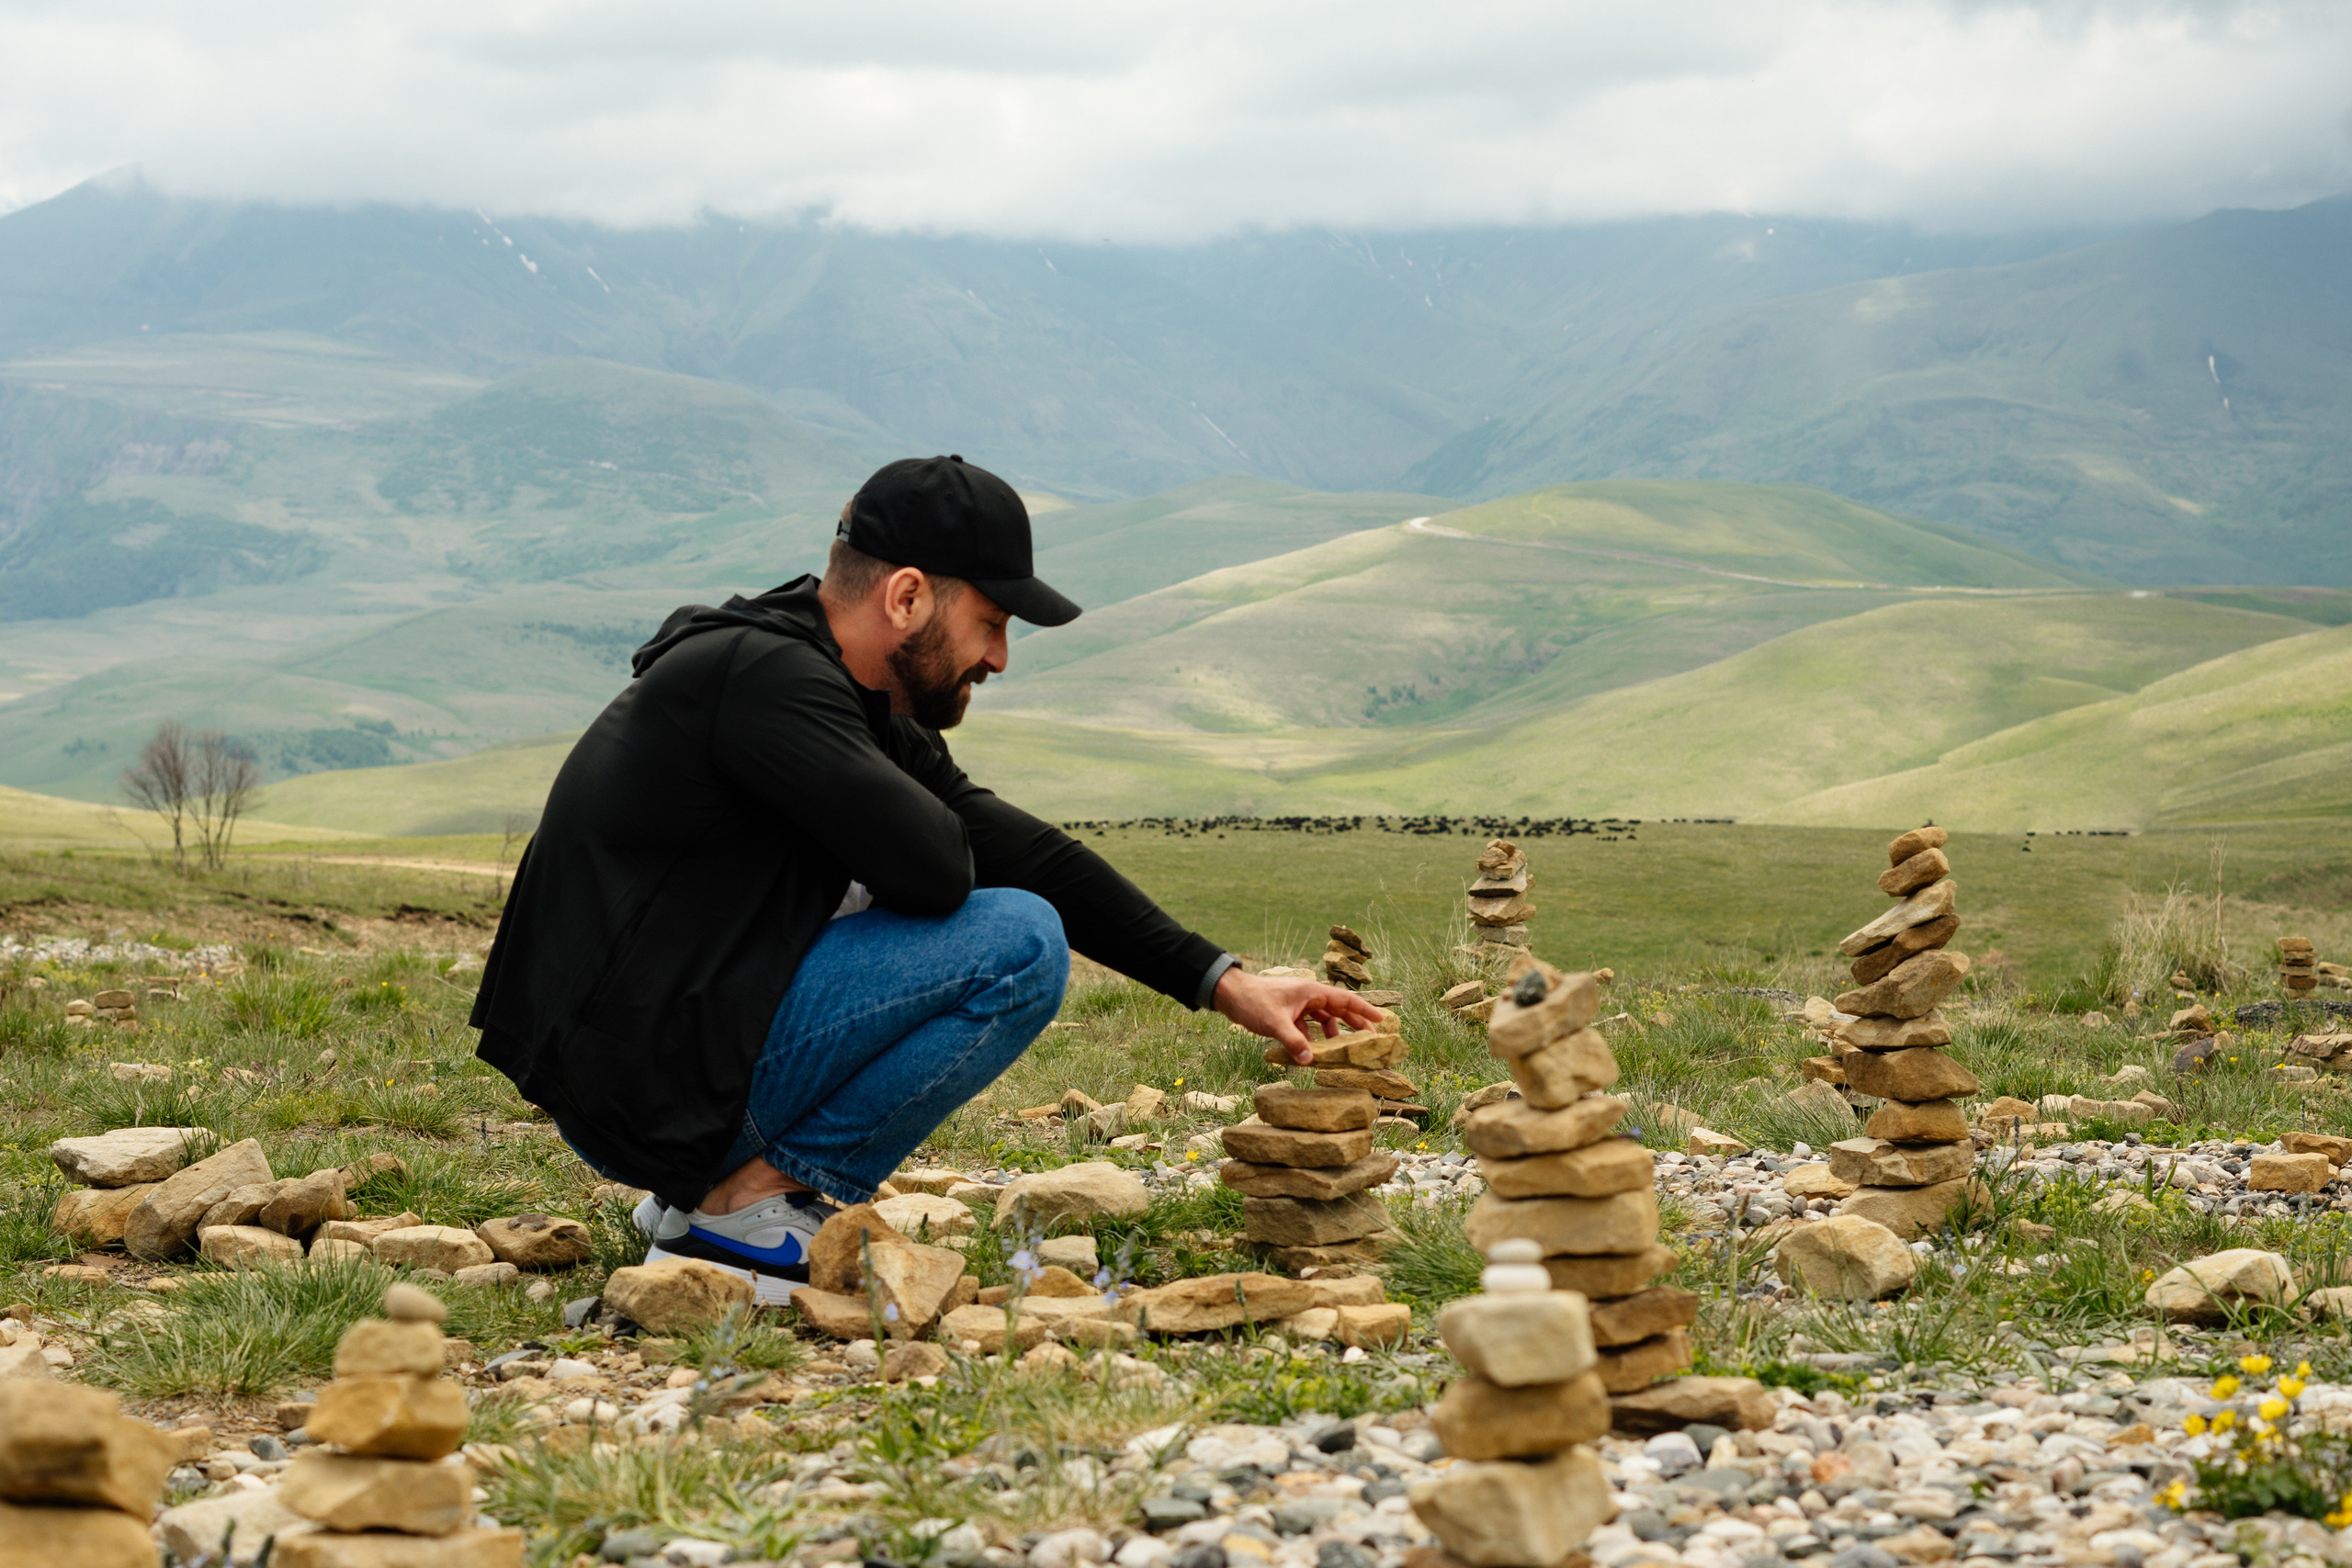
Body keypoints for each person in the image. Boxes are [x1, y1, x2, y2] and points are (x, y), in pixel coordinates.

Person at [470, 454, 1384, 1300]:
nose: (997, 657)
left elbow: (1014, 843)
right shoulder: (767, 682)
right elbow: (944, 871)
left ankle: (701, 1191)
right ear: (906, 597)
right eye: (989, 623)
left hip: (650, 1061)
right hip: (639, 1079)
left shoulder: (825, 687)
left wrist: (1222, 980)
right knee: (1017, 944)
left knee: (1013, 902)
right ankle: (741, 1214)